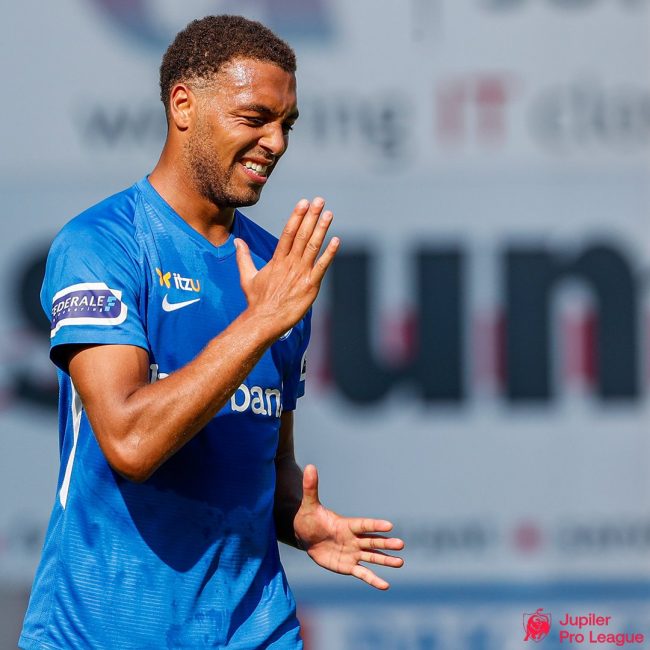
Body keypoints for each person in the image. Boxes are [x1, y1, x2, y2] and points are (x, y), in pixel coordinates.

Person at [19, 14, 404, 650]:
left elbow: (268, 460)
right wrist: (259, 322)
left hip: (255, 630)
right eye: (256, 118)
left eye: (287, 124)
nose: (276, 143)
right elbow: (131, 443)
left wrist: (298, 518)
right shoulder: (102, 244)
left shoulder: (277, 270)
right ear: (183, 105)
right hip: (102, 632)